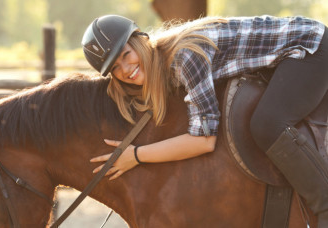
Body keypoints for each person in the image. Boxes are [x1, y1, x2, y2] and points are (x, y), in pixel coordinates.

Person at [82, 14, 328, 226]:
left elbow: (205, 140)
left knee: (266, 124)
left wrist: (136, 155)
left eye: (126, 54)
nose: (126, 68)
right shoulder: (162, 63)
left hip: (309, 47)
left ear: (140, 40)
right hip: (286, 53)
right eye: (115, 67)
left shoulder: (185, 57)